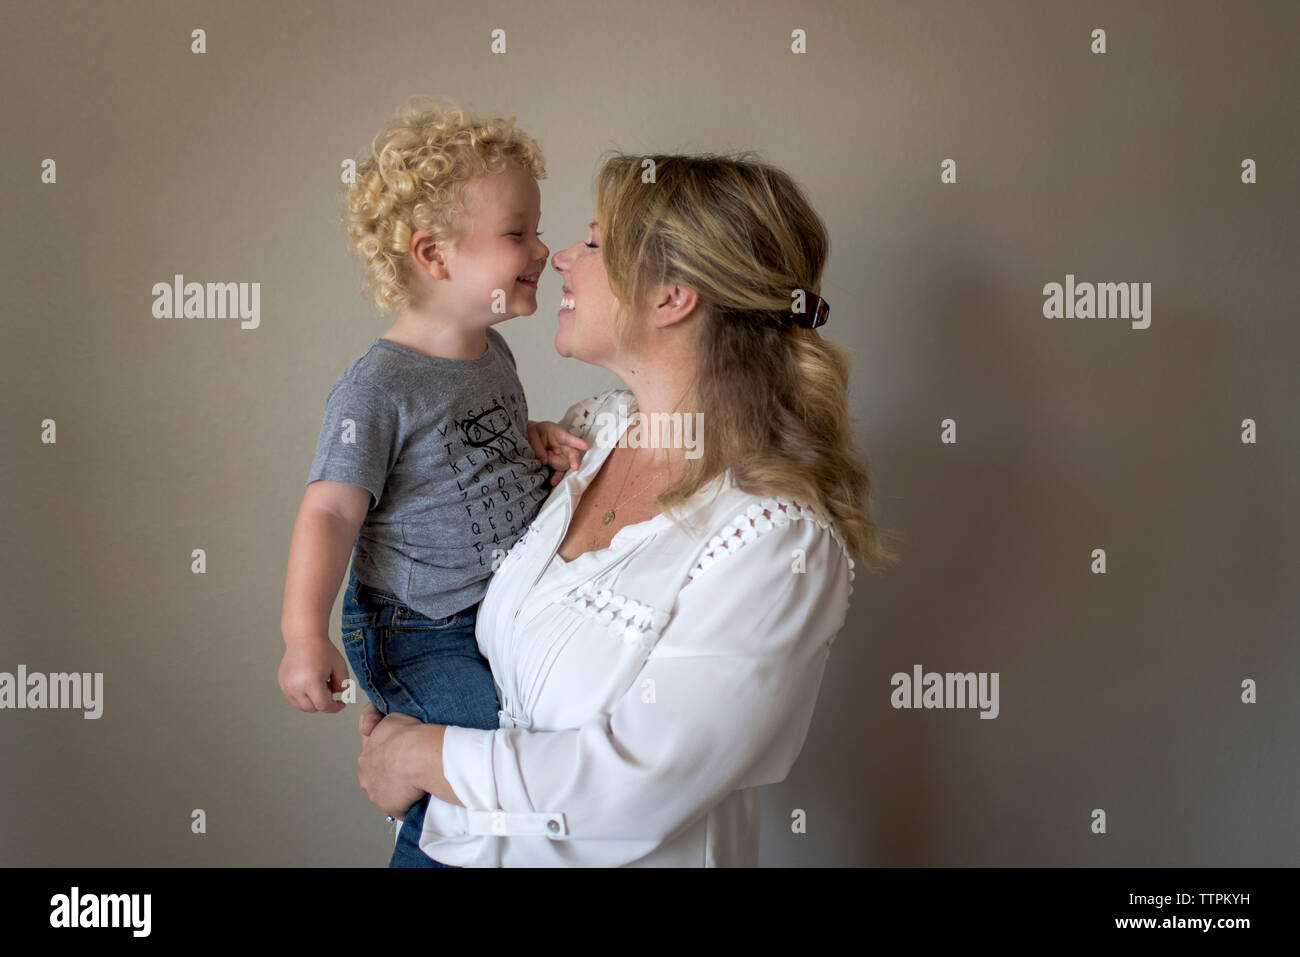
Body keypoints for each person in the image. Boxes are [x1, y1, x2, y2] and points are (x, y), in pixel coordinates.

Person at [356, 151, 902, 866]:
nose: (560, 260)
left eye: (595, 243)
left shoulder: (777, 538)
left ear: (672, 295)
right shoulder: (590, 433)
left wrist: (425, 754)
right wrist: (400, 685)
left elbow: (634, 786)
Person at [277, 96, 589, 868]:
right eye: (518, 232)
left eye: (538, 229)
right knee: (471, 761)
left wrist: (532, 438)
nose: (544, 249)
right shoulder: (378, 386)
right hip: (417, 628)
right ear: (435, 254)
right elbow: (329, 510)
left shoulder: (491, 355)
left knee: (514, 759)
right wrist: (301, 634)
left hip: (491, 614)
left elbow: (469, 450)